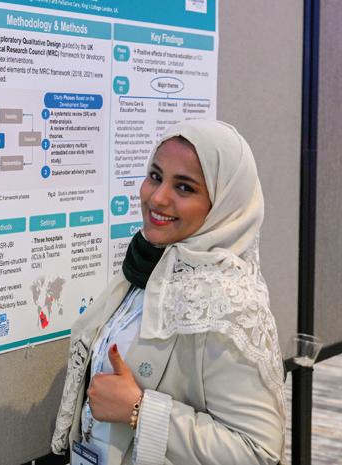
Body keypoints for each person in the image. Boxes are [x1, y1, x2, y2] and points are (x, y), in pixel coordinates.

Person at [51, 119, 286, 465]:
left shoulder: (227, 303)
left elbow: (257, 452)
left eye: (185, 187)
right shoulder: (148, 267)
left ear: (223, 204)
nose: (157, 197)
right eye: (155, 176)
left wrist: (138, 410)